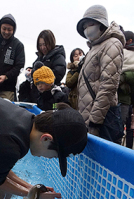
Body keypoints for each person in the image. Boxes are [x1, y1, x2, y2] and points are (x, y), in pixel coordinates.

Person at [76, 5, 125, 140]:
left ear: (101, 24)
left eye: (90, 24)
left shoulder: (111, 44)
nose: (87, 29)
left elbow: (108, 85)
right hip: (89, 117)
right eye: (84, 26)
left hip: (100, 120)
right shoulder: (94, 48)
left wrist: (95, 122)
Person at [28, 30, 66, 103]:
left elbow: (58, 73)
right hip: (37, 96)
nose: (43, 47)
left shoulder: (58, 56)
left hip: (51, 96)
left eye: (45, 44)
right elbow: (35, 70)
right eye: (40, 45)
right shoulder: (40, 57)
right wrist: (31, 70)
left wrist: (40, 74)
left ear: (51, 43)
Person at [118, 30, 134, 148]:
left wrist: (123, 76)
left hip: (127, 99)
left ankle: (127, 152)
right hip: (124, 97)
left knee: (127, 128)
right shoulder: (120, 52)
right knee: (121, 127)